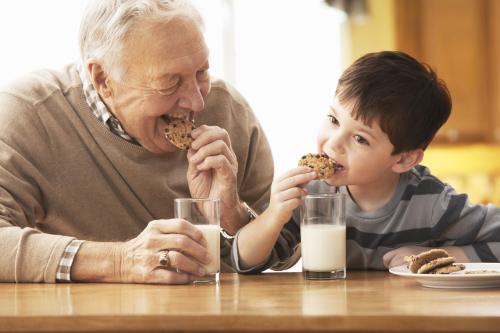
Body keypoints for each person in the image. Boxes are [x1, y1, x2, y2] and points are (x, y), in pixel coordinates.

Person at [0, 0, 273, 284]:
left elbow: (288, 250)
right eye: (170, 82)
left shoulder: (228, 112)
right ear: (103, 78)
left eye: (201, 72)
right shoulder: (27, 114)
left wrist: (233, 215)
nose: (197, 101)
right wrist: (119, 261)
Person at [232, 51, 500, 273]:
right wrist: (274, 214)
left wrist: (438, 255)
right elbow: (248, 262)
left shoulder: (432, 203)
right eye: (334, 120)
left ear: (404, 158)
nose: (334, 143)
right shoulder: (312, 192)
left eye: (360, 139)